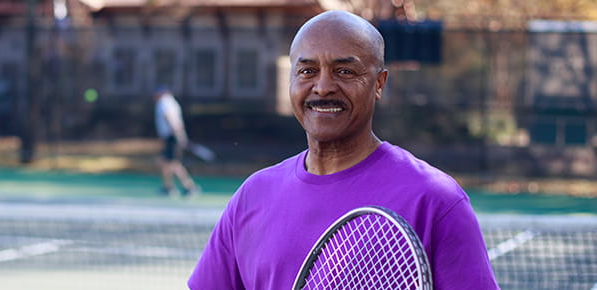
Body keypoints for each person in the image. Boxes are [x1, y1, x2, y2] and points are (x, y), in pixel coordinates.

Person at [188, 10, 499, 290]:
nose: (323, 87)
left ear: (379, 84)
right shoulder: (252, 196)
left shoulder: (435, 201)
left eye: (345, 72)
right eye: (307, 71)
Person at [153, 86, 200, 197]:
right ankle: (168, 187)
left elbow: (170, 117)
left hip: (172, 136)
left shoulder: (165, 102)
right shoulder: (170, 101)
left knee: (172, 163)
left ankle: (189, 186)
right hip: (170, 136)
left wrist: (178, 135)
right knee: (167, 162)